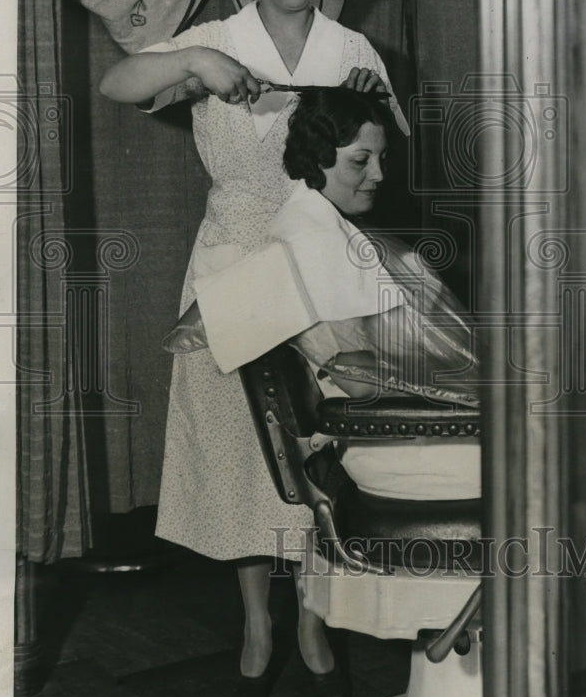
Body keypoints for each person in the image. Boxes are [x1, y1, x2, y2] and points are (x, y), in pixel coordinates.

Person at [99, 0, 408, 697]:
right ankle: (255, 625)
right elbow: (118, 83)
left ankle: (312, 620)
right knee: (239, 452)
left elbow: (380, 157)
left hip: (320, 271)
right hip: (229, 268)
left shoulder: (350, 49)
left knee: (317, 450)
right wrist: (193, 63)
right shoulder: (213, 40)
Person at [167, 87, 481, 502]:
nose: (379, 175)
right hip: (406, 443)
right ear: (318, 159)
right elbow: (361, 383)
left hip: (422, 433)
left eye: (382, 158)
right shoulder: (313, 249)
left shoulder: (332, 235)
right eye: (360, 161)